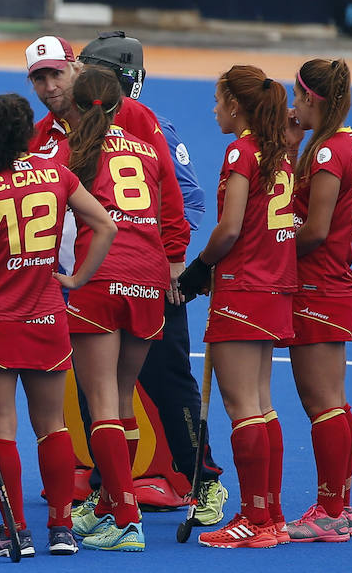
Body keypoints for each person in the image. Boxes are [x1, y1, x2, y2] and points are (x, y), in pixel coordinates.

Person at [74, 31, 226, 523]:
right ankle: (108, 490)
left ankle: (202, 480)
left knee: (167, 381)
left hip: (144, 276)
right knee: (98, 391)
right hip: (98, 276)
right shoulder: (62, 123)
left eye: (77, 68)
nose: (69, 77)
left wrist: (176, 268)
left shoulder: (148, 124)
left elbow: (186, 200)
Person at [0, 93, 115, 557]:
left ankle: (15, 530)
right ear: (29, 130)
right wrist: (78, 278)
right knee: (52, 424)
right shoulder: (58, 174)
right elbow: (105, 225)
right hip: (47, 315)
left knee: (2, 429)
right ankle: (62, 527)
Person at [179, 65, 295, 549]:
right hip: (274, 287)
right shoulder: (281, 153)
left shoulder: (241, 151)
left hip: (243, 287)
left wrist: (199, 268)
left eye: (217, 99)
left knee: (242, 406)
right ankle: (272, 514)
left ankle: (253, 519)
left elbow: (228, 228)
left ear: (235, 105)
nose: (213, 108)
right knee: (263, 405)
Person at [60, 65, 170, 552]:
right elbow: (173, 214)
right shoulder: (149, 147)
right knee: (123, 399)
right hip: (150, 276)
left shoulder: (77, 150)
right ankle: (108, 504)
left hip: (102, 274)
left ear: (80, 109)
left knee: (101, 399)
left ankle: (126, 518)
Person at [280, 59, 352, 542]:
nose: (292, 104)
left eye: (297, 95)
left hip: (318, 285)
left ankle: (331, 511)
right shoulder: (340, 142)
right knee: (334, 402)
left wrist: (266, 249)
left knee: (322, 403)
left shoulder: (330, 152)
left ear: (313, 99)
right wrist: (291, 151)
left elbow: (314, 228)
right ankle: (340, 506)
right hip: (332, 283)